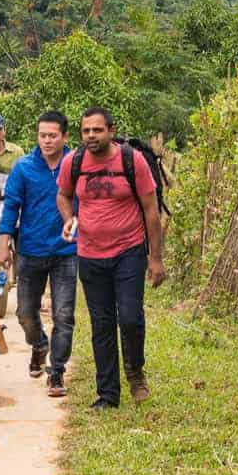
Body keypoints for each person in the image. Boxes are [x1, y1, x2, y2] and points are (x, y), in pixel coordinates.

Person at [56, 106, 166, 409]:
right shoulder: (73, 162)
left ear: (111, 131)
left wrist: (155, 259)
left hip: (129, 251)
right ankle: (107, 395)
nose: (91, 135)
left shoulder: (132, 160)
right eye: (86, 130)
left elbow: (151, 210)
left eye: (97, 130)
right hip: (90, 255)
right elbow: (63, 195)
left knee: (130, 317)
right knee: (101, 324)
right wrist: (68, 218)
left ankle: (135, 371)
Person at [0, 110, 77, 398]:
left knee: (64, 314)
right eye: (42, 135)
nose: (47, 140)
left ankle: (56, 372)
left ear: (65, 136)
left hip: (67, 251)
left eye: (53, 135)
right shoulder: (23, 167)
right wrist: (4, 244)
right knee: (26, 313)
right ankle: (39, 344)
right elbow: (11, 208)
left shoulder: (76, 164)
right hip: (30, 251)